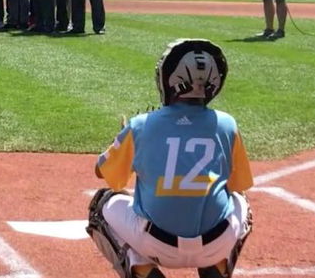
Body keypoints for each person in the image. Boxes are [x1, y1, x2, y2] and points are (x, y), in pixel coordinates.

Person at [87, 39, 253, 278]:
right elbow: (238, 185)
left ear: (170, 80)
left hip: (156, 244)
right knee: (240, 200)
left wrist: (125, 139)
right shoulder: (227, 124)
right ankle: (216, 267)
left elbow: (103, 174)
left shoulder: (142, 125)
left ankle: (142, 269)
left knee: (100, 205)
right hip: (215, 243)